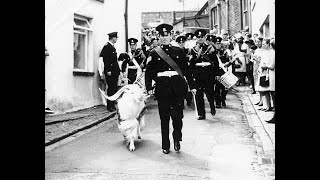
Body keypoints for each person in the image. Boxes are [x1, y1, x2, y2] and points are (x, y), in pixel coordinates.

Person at [145, 23, 195, 154]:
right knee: (164, 118)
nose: (164, 37)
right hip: (162, 89)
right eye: (162, 35)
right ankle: (165, 145)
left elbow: (186, 70)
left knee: (177, 117)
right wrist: (149, 87)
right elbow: (149, 72)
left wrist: (192, 86)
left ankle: (177, 138)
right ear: (158, 36)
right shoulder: (154, 53)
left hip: (177, 88)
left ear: (171, 35)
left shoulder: (179, 51)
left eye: (166, 35)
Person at [189, 29, 219, 120]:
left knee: (210, 93)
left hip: (208, 73)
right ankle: (202, 113)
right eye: (198, 37)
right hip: (198, 74)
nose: (200, 38)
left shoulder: (210, 48)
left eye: (202, 37)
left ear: (205, 37)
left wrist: (216, 73)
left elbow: (215, 62)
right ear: (196, 38)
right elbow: (191, 64)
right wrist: (192, 75)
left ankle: (212, 106)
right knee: (199, 94)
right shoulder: (193, 50)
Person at [99, 31, 120, 112]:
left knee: (114, 88)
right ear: (113, 38)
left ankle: (112, 105)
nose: (116, 39)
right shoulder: (107, 47)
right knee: (111, 89)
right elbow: (106, 60)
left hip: (114, 71)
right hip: (110, 71)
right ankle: (109, 106)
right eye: (116, 38)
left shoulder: (112, 47)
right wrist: (108, 70)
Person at [256, 38, 273, 112]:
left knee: (269, 90)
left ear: (268, 44)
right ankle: (266, 105)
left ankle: (270, 106)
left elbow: (269, 63)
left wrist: (265, 66)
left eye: (264, 44)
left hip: (268, 73)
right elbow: (261, 62)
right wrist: (260, 68)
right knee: (263, 90)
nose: (263, 45)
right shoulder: (264, 52)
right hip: (262, 72)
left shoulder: (272, 52)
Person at [176, 35, 192, 107]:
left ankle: (189, 99)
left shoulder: (188, 50)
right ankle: (181, 102)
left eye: (183, 43)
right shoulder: (176, 51)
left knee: (188, 85)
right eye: (180, 43)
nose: (181, 44)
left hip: (187, 69)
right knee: (180, 86)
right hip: (179, 70)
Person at [214, 36, 230, 108]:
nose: (218, 45)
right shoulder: (212, 52)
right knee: (217, 87)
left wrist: (227, 63)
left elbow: (229, 60)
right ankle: (218, 102)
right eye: (216, 43)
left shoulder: (225, 52)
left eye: (219, 43)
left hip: (223, 70)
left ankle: (223, 99)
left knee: (224, 87)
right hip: (216, 71)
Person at [266, 38, 275, 123]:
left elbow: (271, 66)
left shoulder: (273, 54)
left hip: (273, 77)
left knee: (274, 95)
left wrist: (266, 65)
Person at [252, 37, 264, 106]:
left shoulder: (263, 50)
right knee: (256, 84)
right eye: (256, 42)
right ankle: (259, 99)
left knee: (260, 84)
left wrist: (257, 59)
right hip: (255, 67)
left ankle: (262, 100)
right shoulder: (256, 50)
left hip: (260, 68)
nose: (257, 43)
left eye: (259, 42)